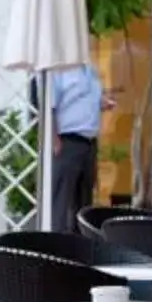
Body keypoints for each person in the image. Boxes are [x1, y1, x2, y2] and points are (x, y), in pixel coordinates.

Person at [44, 63, 101, 226]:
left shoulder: (90, 70)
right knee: (62, 202)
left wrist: (100, 103)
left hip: (89, 142)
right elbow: (49, 106)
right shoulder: (59, 69)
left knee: (83, 204)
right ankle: (56, 246)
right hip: (67, 141)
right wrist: (54, 140)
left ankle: (80, 246)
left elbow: (84, 99)